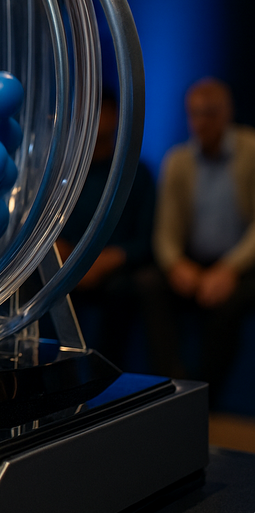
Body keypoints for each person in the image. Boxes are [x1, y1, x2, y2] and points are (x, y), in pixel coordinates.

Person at [150, 77, 255, 406]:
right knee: (148, 285)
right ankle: (173, 388)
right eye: (195, 114)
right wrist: (177, 265)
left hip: (241, 264)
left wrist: (229, 269)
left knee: (228, 305)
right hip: (195, 262)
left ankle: (206, 397)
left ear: (227, 113)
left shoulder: (250, 151)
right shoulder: (178, 160)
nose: (201, 122)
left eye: (210, 113)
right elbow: (165, 231)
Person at [56, 90, 157, 369]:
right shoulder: (64, 173)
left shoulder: (137, 173)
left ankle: (108, 378)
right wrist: (61, 252)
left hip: (115, 270)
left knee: (123, 290)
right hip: (68, 265)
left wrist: (106, 261)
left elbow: (147, 241)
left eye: (98, 112)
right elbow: (50, 229)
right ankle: (50, 375)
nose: (89, 120)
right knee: (41, 285)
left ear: (115, 119)